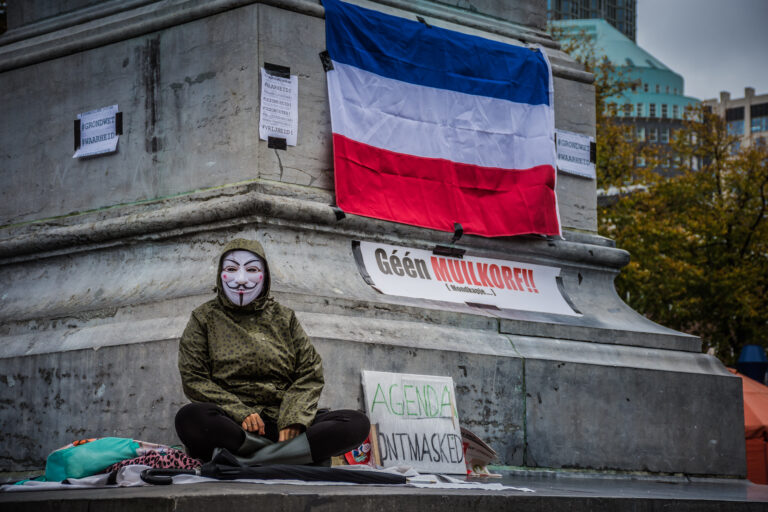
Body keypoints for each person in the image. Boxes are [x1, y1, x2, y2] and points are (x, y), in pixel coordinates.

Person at [174, 238, 369, 465]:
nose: (241, 279)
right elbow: (194, 378)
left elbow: (309, 373)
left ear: (264, 276)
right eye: (231, 269)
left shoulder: (284, 318)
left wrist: (293, 420)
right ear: (220, 274)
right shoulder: (204, 318)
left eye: (252, 270)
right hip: (236, 427)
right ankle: (292, 456)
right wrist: (239, 412)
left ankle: (251, 460)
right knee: (190, 418)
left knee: (356, 423)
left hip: (283, 425)